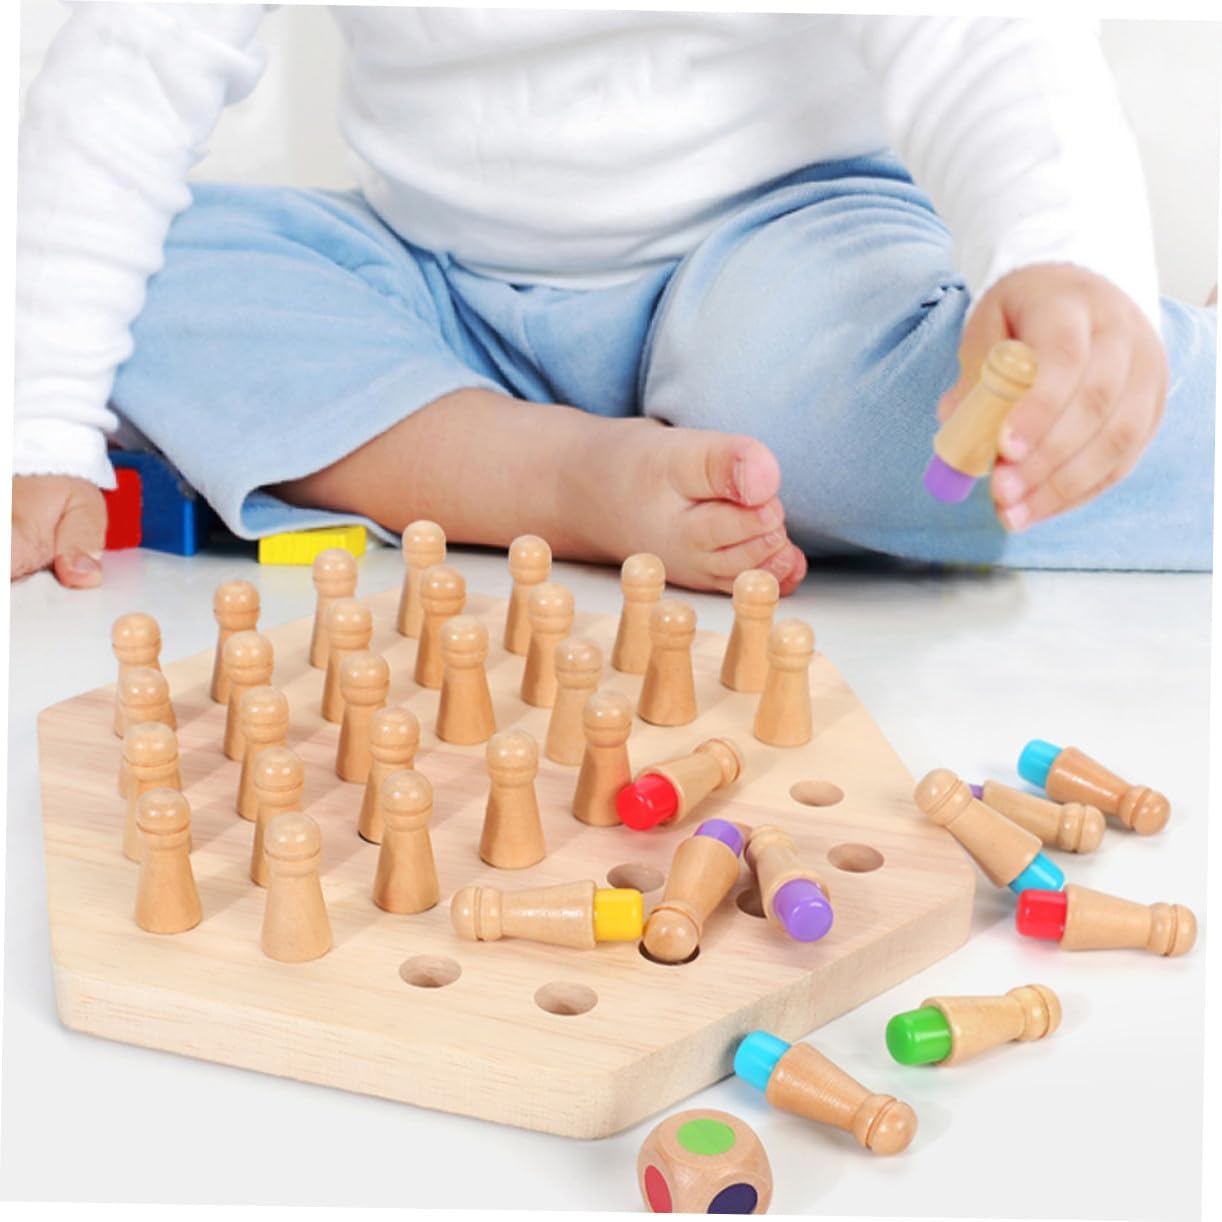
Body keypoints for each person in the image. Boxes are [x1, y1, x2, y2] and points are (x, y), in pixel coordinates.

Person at [12, 5, 1217, 592]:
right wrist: (41, 421)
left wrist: (1064, 258)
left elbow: (983, 35)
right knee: (154, 274)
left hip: (783, 260)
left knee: (910, 431)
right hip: (439, 293)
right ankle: (565, 480)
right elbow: (130, 65)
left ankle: (1181, 374)